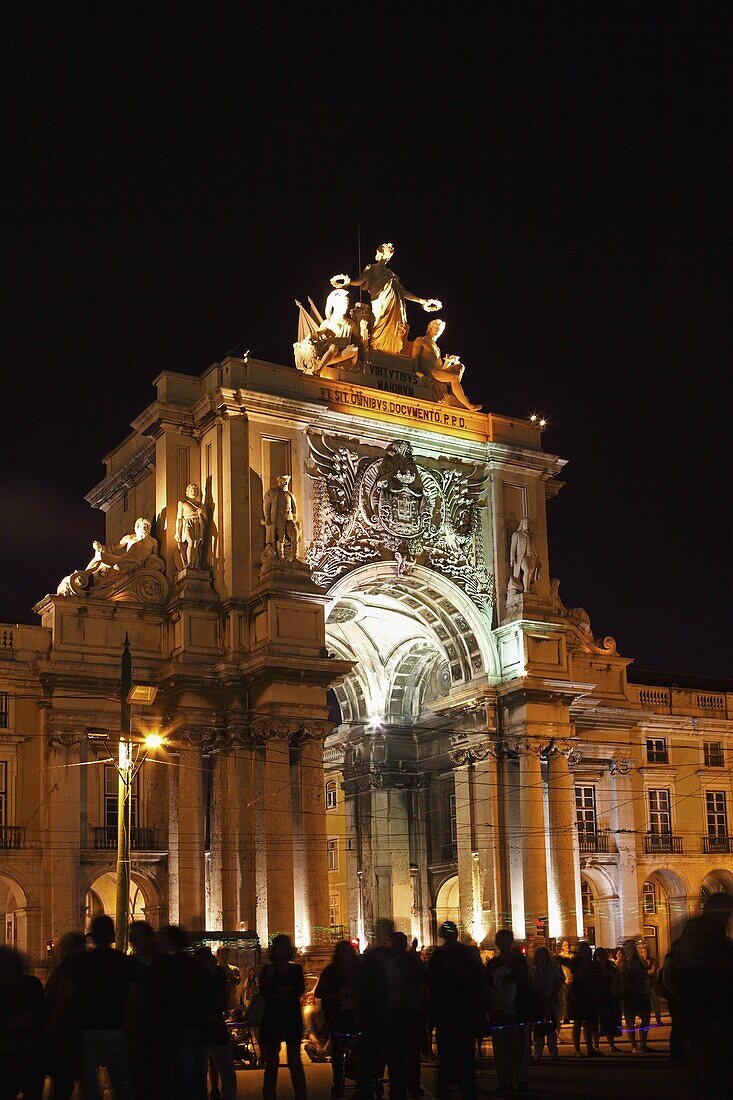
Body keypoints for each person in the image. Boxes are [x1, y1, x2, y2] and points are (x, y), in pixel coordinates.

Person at [660, 892, 733, 1098]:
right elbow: (719, 972)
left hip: (692, 1010)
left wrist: (680, 999)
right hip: (713, 1012)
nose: (728, 918)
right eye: (726, 913)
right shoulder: (713, 941)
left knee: (697, 1063)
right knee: (715, 1067)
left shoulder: (687, 938)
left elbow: (671, 976)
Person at [65, 914, 139, 1100]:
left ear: (92, 936)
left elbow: (66, 995)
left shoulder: (79, 961)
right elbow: (132, 997)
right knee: (121, 1083)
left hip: (86, 1029)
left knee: (89, 1085)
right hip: (116, 1028)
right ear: (112, 936)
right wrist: (132, 1027)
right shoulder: (123, 961)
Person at [331, 243, 441, 354]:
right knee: (379, 326)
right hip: (381, 304)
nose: (382, 255)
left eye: (385, 253)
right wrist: (351, 282)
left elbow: (402, 292)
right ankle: (376, 350)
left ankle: (391, 353)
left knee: (394, 330)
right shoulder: (372, 269)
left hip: (395, 306)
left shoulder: (391, 275)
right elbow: (361, 280)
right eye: (381, 252)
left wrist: (422, 300)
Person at [427, 919, 485, 1100]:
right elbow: (479, 979)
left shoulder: (438, 955)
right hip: (464, 1011)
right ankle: (467, 1088)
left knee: (446, 1057)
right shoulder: (467, 953)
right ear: (456, 934)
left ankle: (446, 1089)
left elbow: (431, 983)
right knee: (466, 1055)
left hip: (447, 1012)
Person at [150, 925, 209, 1100]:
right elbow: (208, 994)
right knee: (199, 1077)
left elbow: (162, 998)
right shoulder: (197, 965)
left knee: (183, 1079)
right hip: (199, 1025)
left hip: (178, 1026)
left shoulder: (166, 966)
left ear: (169, 942)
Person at [259, 933, 307, 1100]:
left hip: (291, 1018)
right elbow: (264, 991)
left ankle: (301, 1096)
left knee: (295, 1061)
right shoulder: (267, 969)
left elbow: (300, 989)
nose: (283, 950)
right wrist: (284, 991)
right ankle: (269, 1096)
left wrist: (279, 991)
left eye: (285, 947)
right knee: (272, 1063)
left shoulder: (296, 969)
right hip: (273, 1018)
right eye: (280, 947)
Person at [485, 929, 533, 1093]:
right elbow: (488, 985)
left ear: (511, 942)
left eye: (507, 940)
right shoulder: (493, 963)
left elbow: (524, 980)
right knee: (501, 1048)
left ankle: (521, 1079)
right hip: (499, 1010)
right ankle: (504, 1081)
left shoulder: (519, 960)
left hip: (519, 1008)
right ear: (498, 943)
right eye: (502, 940)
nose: (505, 943)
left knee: (521, 1047)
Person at [0, 945, 47, 1100]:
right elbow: (42, 1012)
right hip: (30, 1045)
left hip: (16, 1046)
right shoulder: (32, 984)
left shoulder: (30, 985)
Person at [44, 931, 86, 1100]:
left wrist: (51, 1024)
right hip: (85, 1026)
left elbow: (53, 997)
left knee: (64, 1078)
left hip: (66, 1028)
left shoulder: (64, 969)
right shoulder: (88, 967)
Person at [315, 939, 359, 1098]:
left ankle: (358, 1076)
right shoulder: (330, 972)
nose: (346, 955)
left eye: (348, 952)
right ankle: (338, 1078)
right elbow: (318, 993)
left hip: (356, 1014)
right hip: (336, 1014)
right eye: (343, 952)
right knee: (338, 1048)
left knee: (358, 1046)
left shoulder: (359, 971)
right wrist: (336, 995)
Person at [194, 947, 237, 1100]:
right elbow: (222, 1000)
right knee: (226, 1070)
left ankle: (211, 1091)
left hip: (201, 1028)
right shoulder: (216, 976)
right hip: (214, 1026)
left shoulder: (196, 978)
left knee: (201, 1070)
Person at [566, 941, 601, 1057]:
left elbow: (597, 978)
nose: (586, 954)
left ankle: (590, 1048)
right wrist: (582, 972)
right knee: (578, 1022)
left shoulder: (592, 964)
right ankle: (577, 1049)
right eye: (584, 952)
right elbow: (573, 976)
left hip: (589, 994)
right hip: (577, 994)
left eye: (588, 952)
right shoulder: (575, 963)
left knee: (589, 1023)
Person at [530, 946, 564, 1063]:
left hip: (551, 1000)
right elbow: (532, 985)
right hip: (538, 1002)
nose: (541, 958)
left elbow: (559, 982)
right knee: (538, 1029)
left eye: (543, 956)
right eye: (539, 956)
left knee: (551, 1028)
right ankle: (538, 1054)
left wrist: (553, 994)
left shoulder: (552, 969)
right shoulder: (534, 970)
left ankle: (553, 1053)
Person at [617, 939, 651, 1053]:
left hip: (641, 993)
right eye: (629, 947)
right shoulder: (624, 963)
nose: (631, 949)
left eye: (632, 947)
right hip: (630, 994)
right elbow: (622, 978)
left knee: (646, 1019)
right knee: (630, 1021)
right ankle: (634, 1046)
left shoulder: (640, 961)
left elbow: (645, 975)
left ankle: (643, 1043)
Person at [593, 948, 620, 1052]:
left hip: (609, 996)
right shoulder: (594, 968)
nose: (601, 957)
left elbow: (617, 977)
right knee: (596, 1022)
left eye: (603, 955)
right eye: (599, 955)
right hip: (597, 997)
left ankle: (611, 1044)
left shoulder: (611, 967)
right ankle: (596, 1045)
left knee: (609, 1020)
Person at [637, 941, 663, 1025]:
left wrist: (646, 972)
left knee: (656, 1002)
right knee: (644, 1004)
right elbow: (642, 973)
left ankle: (658, 1020)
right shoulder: (640, 962)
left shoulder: (653, 960)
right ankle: (644, 1019)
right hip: (644, 985)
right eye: (643, 951)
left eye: (646, 951)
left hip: (653, 984)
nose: (645, 953)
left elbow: (653, 970)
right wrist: (648, 972)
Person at [216, 946, 241, 1011]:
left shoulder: (234, 969)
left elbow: (237, 982)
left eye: (227, 955)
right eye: (223, 954)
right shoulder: (214, 969)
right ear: (218, 955)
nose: (225, 957)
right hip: (217, 999)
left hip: (231, 999)